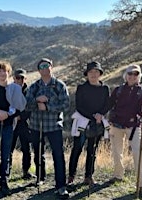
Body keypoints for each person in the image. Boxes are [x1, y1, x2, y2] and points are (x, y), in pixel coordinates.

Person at [25, 58, 70, 198]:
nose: (44, 68)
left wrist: (48, 105)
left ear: (52, 67)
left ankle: (61, 185)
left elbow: (66, 105)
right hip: (36, 125)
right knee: (38, 153)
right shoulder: (34, 87)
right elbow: (26, 105)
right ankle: (40, 178)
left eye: (47, 65)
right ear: (39, 70)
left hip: (54, 125)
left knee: (58, 155)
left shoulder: (59, 86)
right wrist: (38, 101)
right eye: (41, 66)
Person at [108, 64, 142, 198]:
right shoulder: (118, 90)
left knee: (139, 154)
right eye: (130, 74)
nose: (132, 76)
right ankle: (118, 175)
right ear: (125, 75)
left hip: (134, 126)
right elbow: (109, 105)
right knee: (116, 152)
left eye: (136, 74)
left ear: (139, 76)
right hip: (116, 125)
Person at [0, 61, 24, 195]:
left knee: (6, 155)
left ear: (9, 73)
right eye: (0, 71)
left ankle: (4, 180)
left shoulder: (15, 89)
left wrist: (7, 114)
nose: (2, 73)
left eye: (5, 71)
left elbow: (19, 108)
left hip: (8, 126)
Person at [68, 61, 110, 185]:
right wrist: (92, 117)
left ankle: (88, 176)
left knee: (92, 150)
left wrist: (100, 114)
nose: (93, 74)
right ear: (87, 74)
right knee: (77, 149)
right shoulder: (81, 88)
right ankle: (71, 176)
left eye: (96, 71)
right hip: (82, 122)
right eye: (91, 72)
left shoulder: (105, 88)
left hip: (98, 122)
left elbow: (107, 104)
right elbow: (79, 106)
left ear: (100, 74)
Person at [9, 68, 43, 180]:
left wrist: (21, 117)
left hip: (25, 123)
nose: (20, 80)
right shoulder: (9, 90)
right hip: (12, 123)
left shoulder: (30, 91)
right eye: (17, 77)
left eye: (22, 78)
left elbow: (31, 108)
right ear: (14, 78)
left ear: (25, 78)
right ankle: (6, 173)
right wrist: (14, 116)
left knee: (26, 149)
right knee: (9, 149)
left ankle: (26, 171)